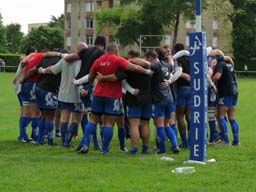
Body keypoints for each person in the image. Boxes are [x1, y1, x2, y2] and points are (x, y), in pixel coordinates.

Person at [78, 43, 153, 155]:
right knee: (109, 123)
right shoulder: (118, 60)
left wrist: (96, 80)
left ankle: (85, 145)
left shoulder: (98, 61)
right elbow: (135, 68)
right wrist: (147, 71)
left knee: (93, 120)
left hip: (98, 94)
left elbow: (90, 78)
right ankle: (105, 150)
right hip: (112, 95)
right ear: (116, 50)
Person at [38, 43, 88, 147]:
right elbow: (80, 78)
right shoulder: (82, 61)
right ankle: (66, 142)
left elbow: (53, 69)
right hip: (75, 94)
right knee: (77, 119)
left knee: (64, 118)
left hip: (63, 94)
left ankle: (64, 141)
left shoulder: (66, 58)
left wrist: (42, 70)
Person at [212, 54, 240, 146]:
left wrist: (209, 82)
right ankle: (236, 141)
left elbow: (217, 76)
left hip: (226, 93)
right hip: (234, 92)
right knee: (232, 117)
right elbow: (235, 77)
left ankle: (225, 140)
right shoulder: (230, 65)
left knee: (220, 116)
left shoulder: (220, 64)